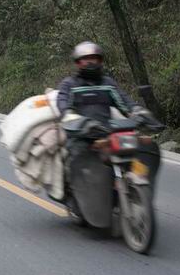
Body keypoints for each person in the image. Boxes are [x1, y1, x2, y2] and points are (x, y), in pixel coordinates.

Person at [56, 41, 151, 216]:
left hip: (107, 133)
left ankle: (130, 190)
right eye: (86, 59)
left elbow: (124, 101)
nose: (90, 62)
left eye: (94, 58)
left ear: (100, 61)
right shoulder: (69, 84)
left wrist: (138, 111)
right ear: (78, 63)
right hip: (81, 135)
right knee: (77, 159)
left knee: (136, 156)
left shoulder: (108, 83)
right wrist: (78, 122)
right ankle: (75, 199)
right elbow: (64, 107)